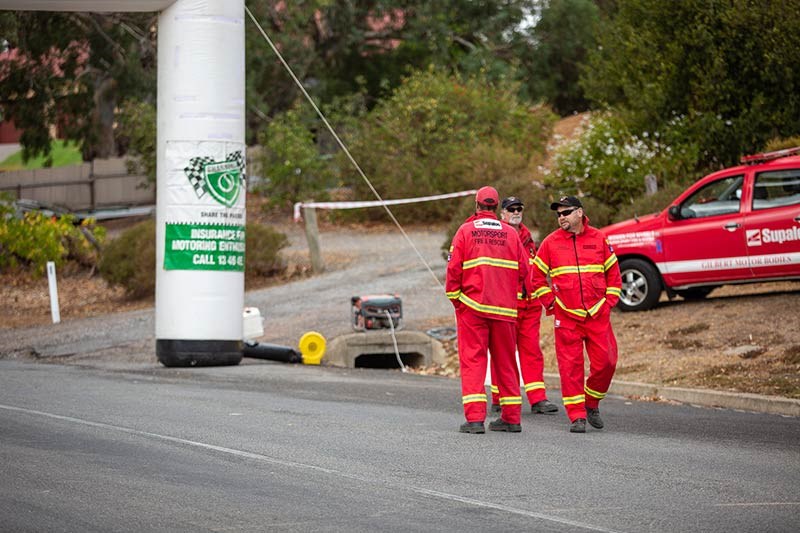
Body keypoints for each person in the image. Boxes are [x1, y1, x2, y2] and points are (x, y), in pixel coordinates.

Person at [530, 196, 622, 433]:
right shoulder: (550, 243)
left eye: (566, 212)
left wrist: (608, 303)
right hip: (567, 316)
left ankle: (591, 403)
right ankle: (577, 416)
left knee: (607, 362)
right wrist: (551, 303)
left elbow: (613, 274)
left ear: (580, 213)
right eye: (558, 214)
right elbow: (536, 277)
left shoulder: (599, 238)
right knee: (570, 368)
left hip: (596, 314)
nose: (561, 217)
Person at [445, 186, 529, 434]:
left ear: (477, 205)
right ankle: (512, 418)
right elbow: (525, 271)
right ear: (497, 207)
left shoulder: (465, 231)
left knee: (473, 362)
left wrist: (457, 302)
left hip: (472, 308)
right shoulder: (511, 234)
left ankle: (474, 420)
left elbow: (453, 272)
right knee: (506, 363)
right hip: (504, 310)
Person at [489, 197, 559, 415]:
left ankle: (538, 399)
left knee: (532, 352)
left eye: (519, 209)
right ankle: (499, 397)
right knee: (503, 352)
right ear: (502, 214)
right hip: (507, 306)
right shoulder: (498, 237)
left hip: (530, 305)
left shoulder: (528, 239)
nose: (516, 212)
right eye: (511, 209)